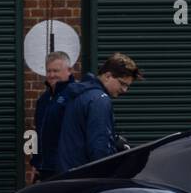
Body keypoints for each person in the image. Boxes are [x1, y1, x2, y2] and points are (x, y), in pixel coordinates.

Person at [55, 52, 142, 173]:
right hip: (85, 177)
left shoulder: (82, 94)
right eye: (122, 83)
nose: (124, 90)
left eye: (127, 86)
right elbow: (99, 148)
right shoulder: (100, 100)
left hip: (69, 173)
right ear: (107, 76)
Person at [32, 50, 74, 181]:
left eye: (56, 71)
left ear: (69, 70)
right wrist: (35, 163)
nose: (51, 75)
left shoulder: (74, 95)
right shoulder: (43, 99)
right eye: (49, 71)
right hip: (45, 168)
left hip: (65, 167)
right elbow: (38, 133)